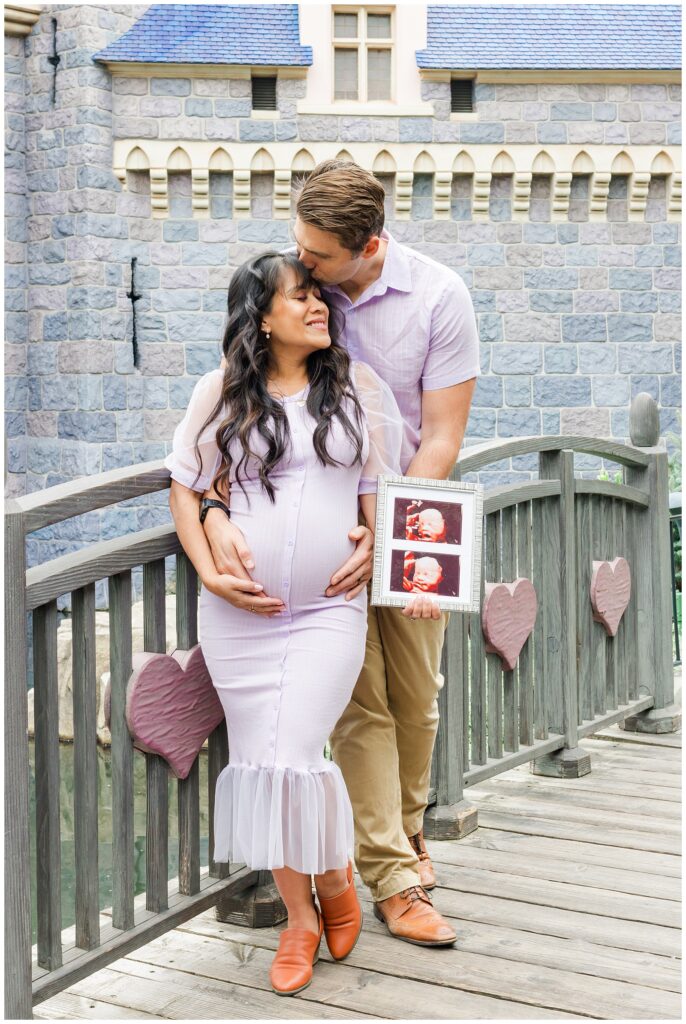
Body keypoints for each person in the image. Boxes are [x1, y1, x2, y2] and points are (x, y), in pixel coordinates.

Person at [202, 160, 479, 946]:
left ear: (369, 245)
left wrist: (383, 528)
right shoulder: (301, 297)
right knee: (361, 710)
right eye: (301, 254)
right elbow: (238, 407)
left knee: (418, 697)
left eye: (319, 258)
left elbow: (445, 437)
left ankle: (408, 827)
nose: (306, 268)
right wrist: (218, 508)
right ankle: (390, 877)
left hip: (416, 523)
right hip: (324, 560)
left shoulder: (439, 298)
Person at [165, 252, 438, 995]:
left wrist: (384, 544)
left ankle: (335, 886)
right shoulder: (220, 392)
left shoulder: (358, 388)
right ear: (261, 316)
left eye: (319, 294)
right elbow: (185, 488)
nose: (319, 305)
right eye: (301, 296)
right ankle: (304, 913)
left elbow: (381, 485)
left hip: (327, 611)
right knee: (260, 763)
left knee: (291, 755)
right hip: (239, 617)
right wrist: (207, 566)